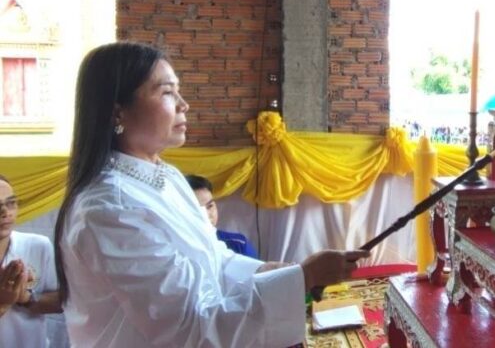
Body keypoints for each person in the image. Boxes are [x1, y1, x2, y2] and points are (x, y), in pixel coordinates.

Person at [54, 42, 368, 347]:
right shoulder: (109, 208)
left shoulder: (166, 177)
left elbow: (212, 258)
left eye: (178, 91)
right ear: (117, 113)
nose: (183, 104)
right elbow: (189, 326)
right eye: (167, 92)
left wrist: (272, 272)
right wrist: (303, 278)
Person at [0, 175, 63, 348]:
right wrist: (3, 303)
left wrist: (26, 298)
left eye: (11, 203)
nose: (5, 212)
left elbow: (62, 302)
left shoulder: (38, 245)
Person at [185, 174, 258, 258]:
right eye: (197, 209)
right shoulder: (176, 251)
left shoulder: (238, 244)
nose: (207, 215)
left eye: (210, 206)